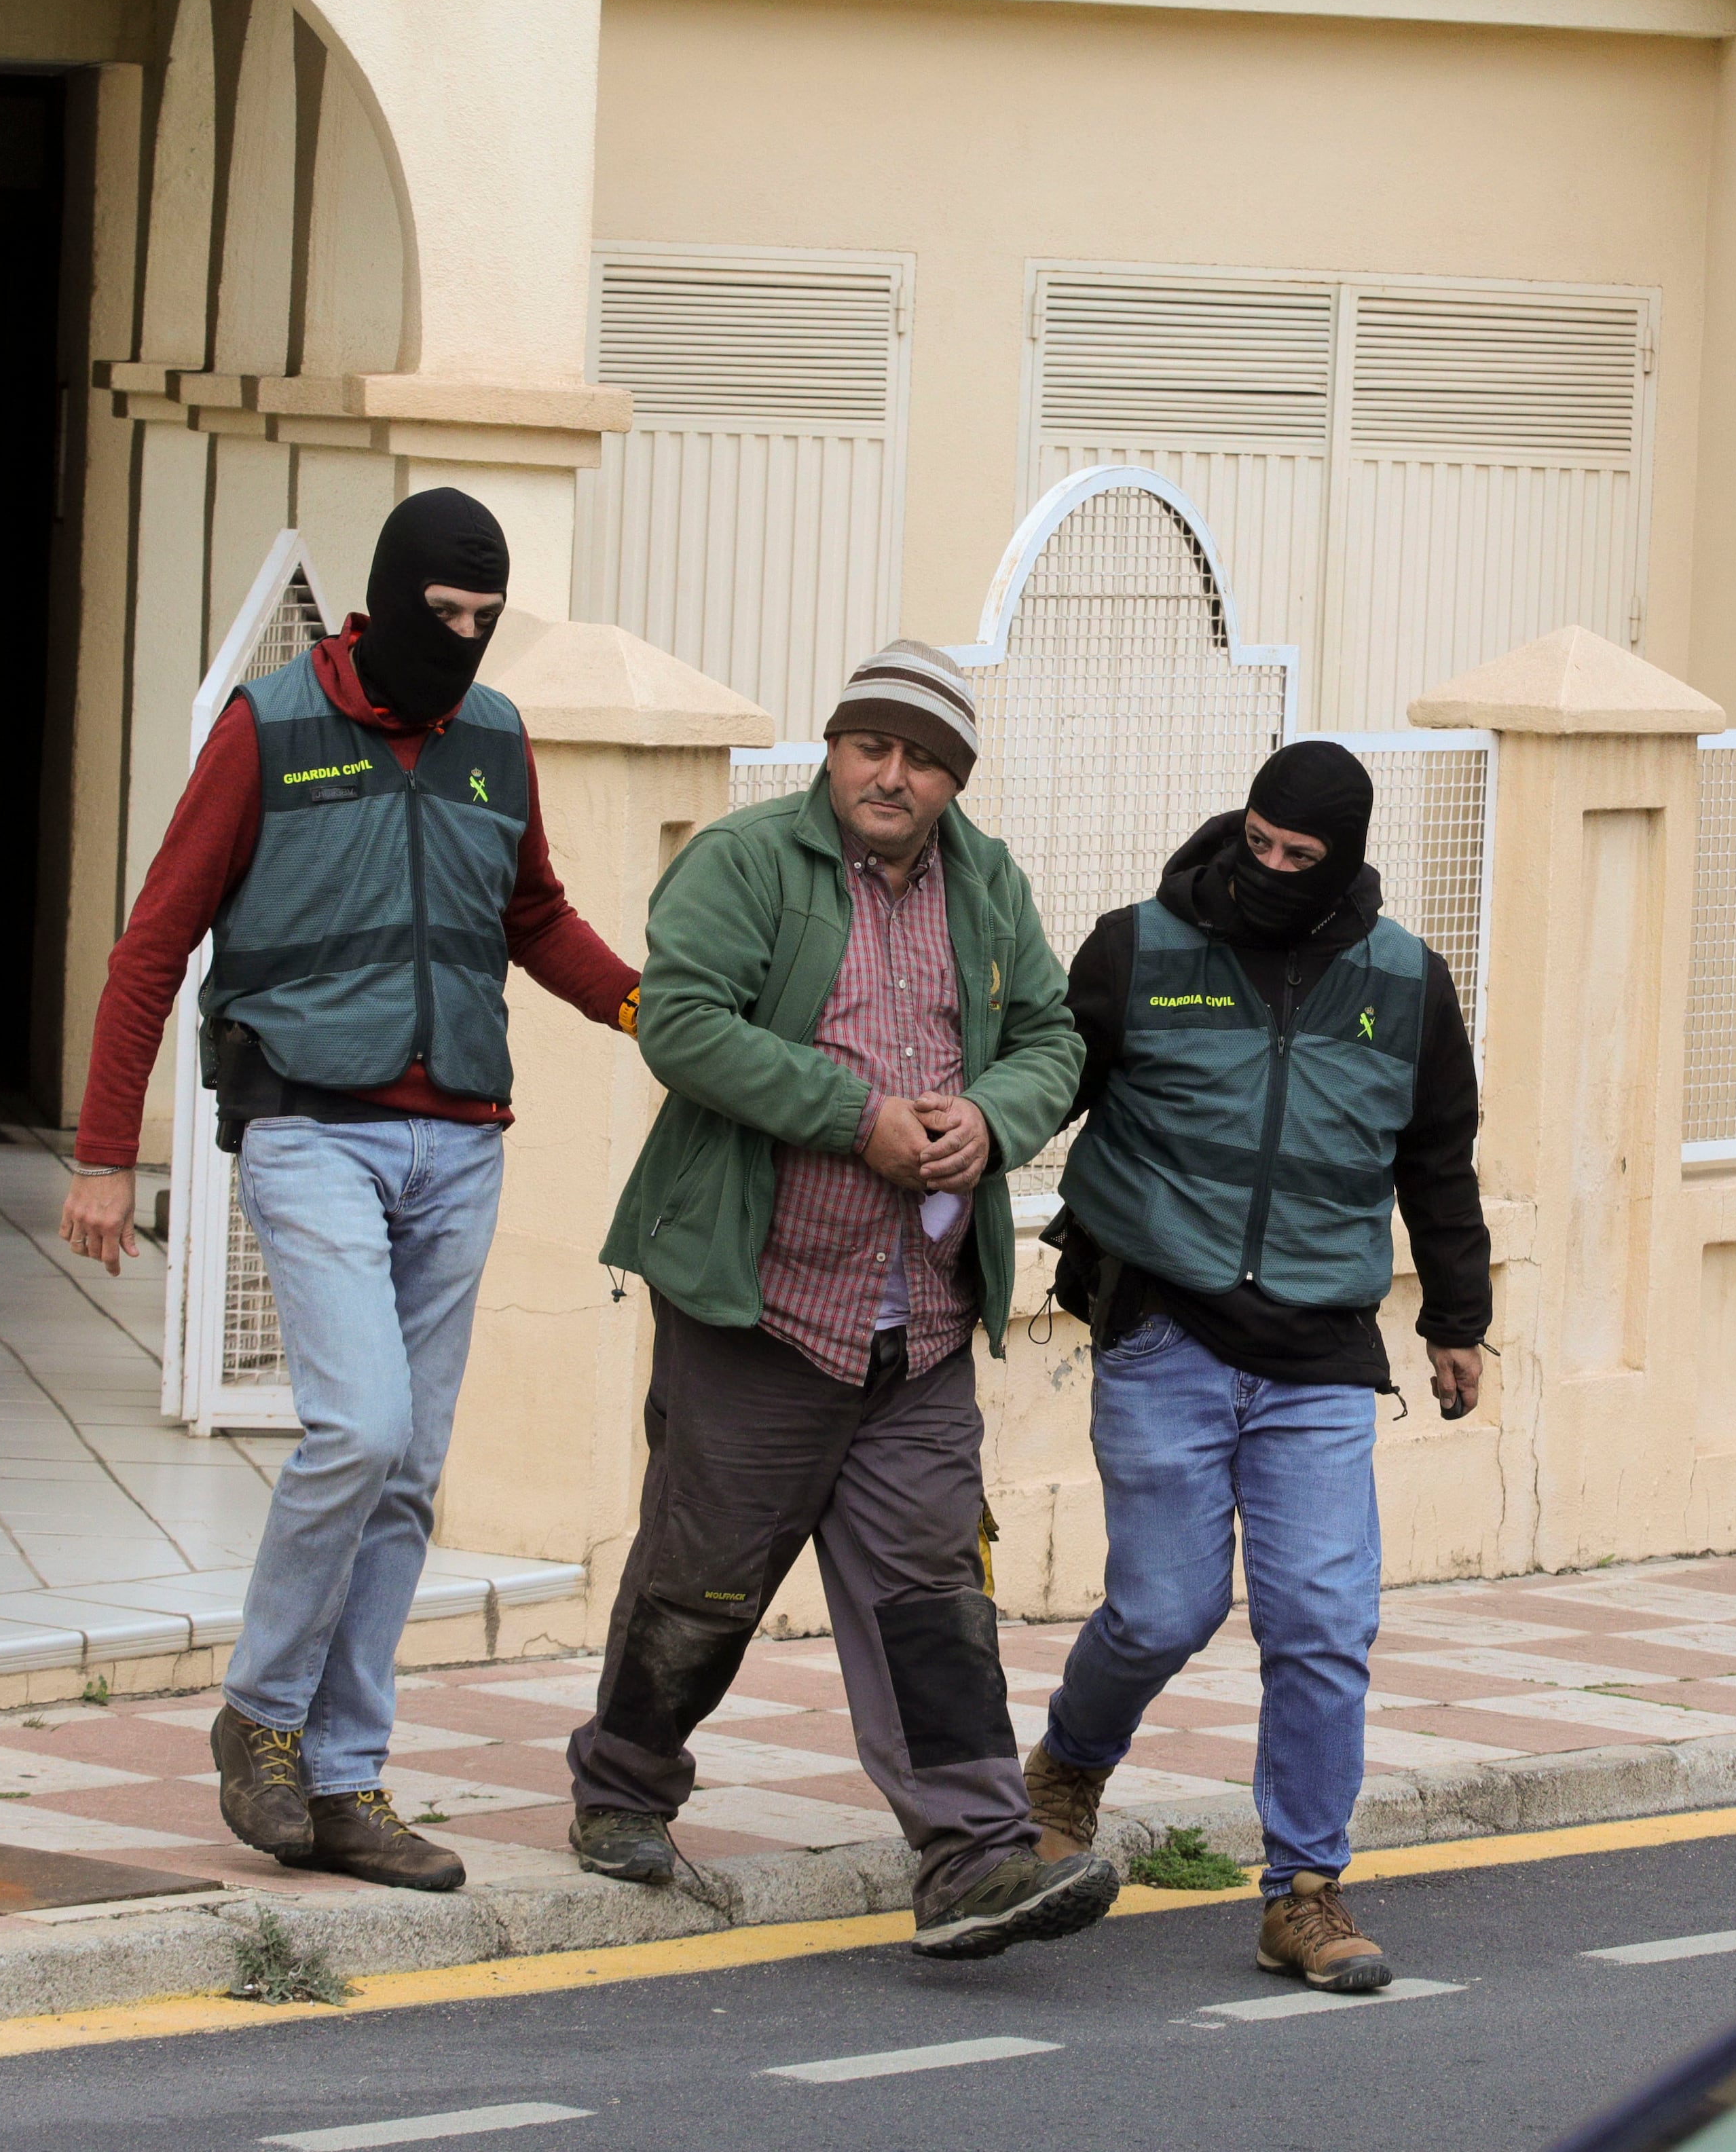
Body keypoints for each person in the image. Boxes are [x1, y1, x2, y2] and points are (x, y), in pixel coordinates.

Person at [56, 489, 642, 1891]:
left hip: (463, 1138)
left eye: (487, 620)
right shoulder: (269, 725)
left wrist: (649, 1014)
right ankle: (259, 1717)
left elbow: (535, 917)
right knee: (359, 1428)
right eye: (447, 616)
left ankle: (345, 1777)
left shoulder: (495, 737)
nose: (469, 641)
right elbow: (155, 939)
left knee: (410, 1473)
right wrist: (99, 1151)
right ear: (388, 599)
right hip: (310, 1123)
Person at [564, 640, 1118, 1959]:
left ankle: (972, 1858)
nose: (892, 771)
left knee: (931, 1589)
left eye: (922, 756)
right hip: (758, 1299)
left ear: (952, 778)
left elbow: (1054, 1036)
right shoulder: (748, 860)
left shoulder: (987, 884)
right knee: (704, 1575)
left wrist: (991, 1118)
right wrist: (854, 1118)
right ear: (833, 747)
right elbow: (680, 1024)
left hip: (919, 1316)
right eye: (871, 743)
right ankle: (623, 1786)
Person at [1025, 741, 1490, 1991]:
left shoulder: (1408, 983)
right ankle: (1070, 1763)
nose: (1273, 872)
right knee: (1167, 1610)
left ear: (1345, 857)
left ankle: (1304, 1891)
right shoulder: (1138, 949)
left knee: (1325, 1620)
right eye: (1260, 845)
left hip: (1323, 1354)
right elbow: (1042, 1086)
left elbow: (1439, 1160)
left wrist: (1459, 1318)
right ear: (1243, 824)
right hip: (1164, 1326)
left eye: (1302, 859)